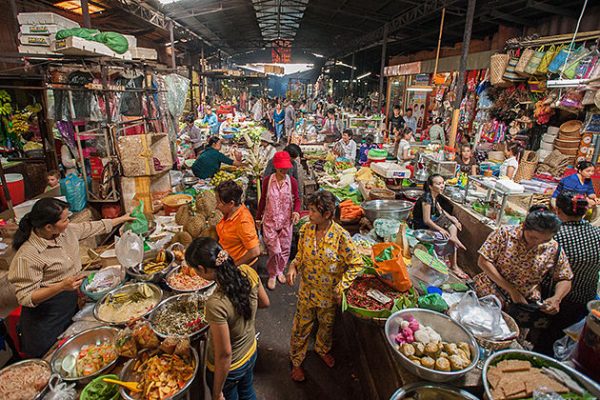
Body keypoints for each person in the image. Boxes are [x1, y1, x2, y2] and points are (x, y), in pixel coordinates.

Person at [8, 198, 133, 357]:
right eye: (65, 219)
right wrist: (60, 286)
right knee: (55, 357)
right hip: (45, 319)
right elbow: (25, 297)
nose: (69, 221)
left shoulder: (66, 232)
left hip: (68, 303)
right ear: (48, 227)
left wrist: (123, 218)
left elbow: (93, 227)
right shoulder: (28, 255)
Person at [286, 191, 363, 382]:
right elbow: (301, 256)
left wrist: (341, 287)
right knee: (301, 327)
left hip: (328, 294)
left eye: (313, 211)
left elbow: (357, 263)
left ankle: (322, 349)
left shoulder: (341, 237)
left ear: (327, 214)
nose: (309, 214)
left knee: (326, 326)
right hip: (307, 291)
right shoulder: (305, 230)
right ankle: (296, 361)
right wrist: (293, 266)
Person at [185, 238, 269, 400]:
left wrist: (216, 393)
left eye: (195, 270)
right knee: (247, 391)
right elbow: (265, 303)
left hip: (231, 368)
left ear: (202, 269)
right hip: (251, 351)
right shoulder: (247, 271)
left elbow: (224, 354)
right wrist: (241, 311)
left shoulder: (216, 304)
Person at [474, 205, 572, 317]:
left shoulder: (553, 247)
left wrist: (557, 298)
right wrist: (512, 290)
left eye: (545, 240)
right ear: (524, 226)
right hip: (490, 291)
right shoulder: (505, 234)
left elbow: (565, 278)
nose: (537, 243)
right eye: (533, 237)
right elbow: (484, 261)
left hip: (524, 305)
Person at [535, 191, 600, 355]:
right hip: (587, 298)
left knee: (547, 341)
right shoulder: (596, 233)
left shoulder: (555, 235)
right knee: (565, 341)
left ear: (557, 210)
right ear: (585, 212)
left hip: (560, 300)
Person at [256, 152, 301, 290]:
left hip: (286, 222)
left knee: (285, 250)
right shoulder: (268, 180)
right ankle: (272, 274)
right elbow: (263, 199)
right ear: (275, 166)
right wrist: (258, 217)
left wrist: (296, 211)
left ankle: (280, 270)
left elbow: (297, 199)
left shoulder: (291, 181)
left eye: (286, 168)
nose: (284, 171)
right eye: (281, 168)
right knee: (274, 250)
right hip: (270, 221)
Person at [411, 174, 468, 278]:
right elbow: (427, 220)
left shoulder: (434, 196)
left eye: (442, 183)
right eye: (438, 184)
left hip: (432, 223)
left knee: (452, 226)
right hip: (423, 228)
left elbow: (440, 210)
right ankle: (454, 266)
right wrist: (441, 229)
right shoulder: (427, 199)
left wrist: (452, 218)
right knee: (447, 238)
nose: (442, 186)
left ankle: (454, 238)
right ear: (430, 186)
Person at [215, 180, 261, 267]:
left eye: (219, 202)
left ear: (231, 203)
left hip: (241, 268)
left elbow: (255, 251)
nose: (216, 206)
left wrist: (234, 266)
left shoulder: (243, 222)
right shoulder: (229, 213)